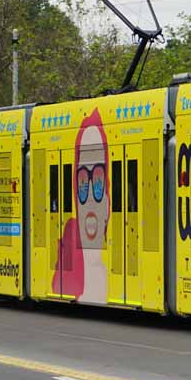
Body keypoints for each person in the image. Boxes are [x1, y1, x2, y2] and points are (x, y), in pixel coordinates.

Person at [52, 108, 110, 303]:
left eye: (99, 182)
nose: (91, 201)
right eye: (83, 183)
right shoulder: (63, 268)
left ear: (109, 203)